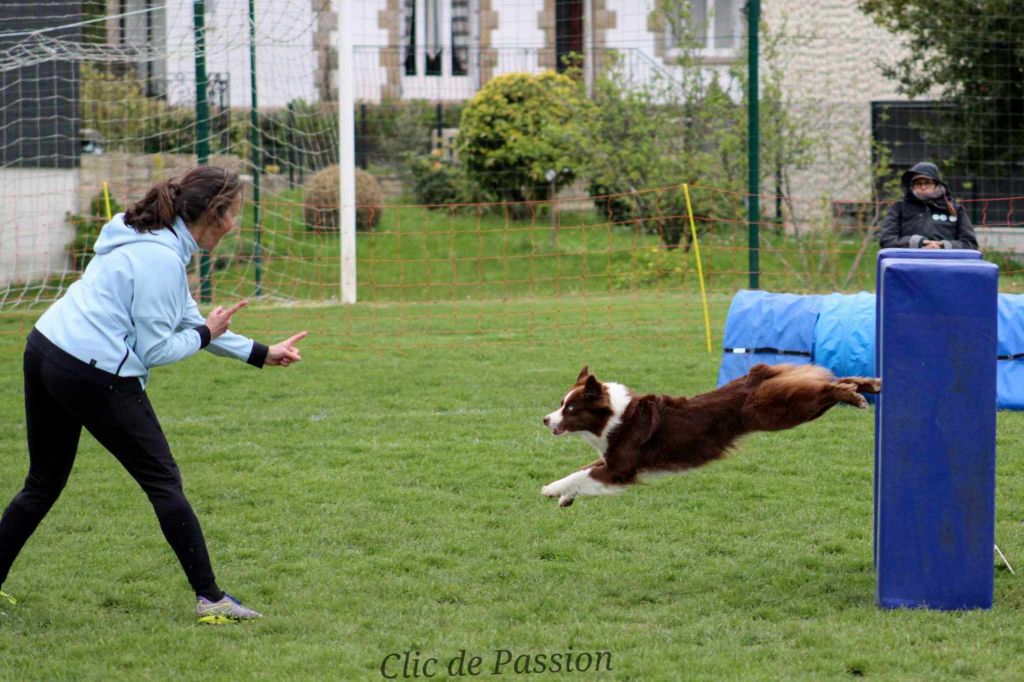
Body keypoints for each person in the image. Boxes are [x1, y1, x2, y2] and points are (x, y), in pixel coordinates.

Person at [0, 166, 307, 624]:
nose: (234, 226)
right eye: (233, 215)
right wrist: (206, 334)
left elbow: (186, 317)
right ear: (211, 213)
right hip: (93, 371)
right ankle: (211, 599)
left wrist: (259, 353)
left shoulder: (140, 232)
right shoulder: (162, 259)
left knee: (42, 484)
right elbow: (157, 349)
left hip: (45, 347)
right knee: (164, 483)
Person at [878, 161, 978, 250]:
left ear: (937, 185)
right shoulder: (898, 208)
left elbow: (970, 244)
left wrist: (942, 245)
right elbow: (887, 240)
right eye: (918, 183)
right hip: (908, 261)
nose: (923, 187)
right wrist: (917, 242)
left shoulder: (956, 209)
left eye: (927, 183)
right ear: (912, 187)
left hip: (947, 263)